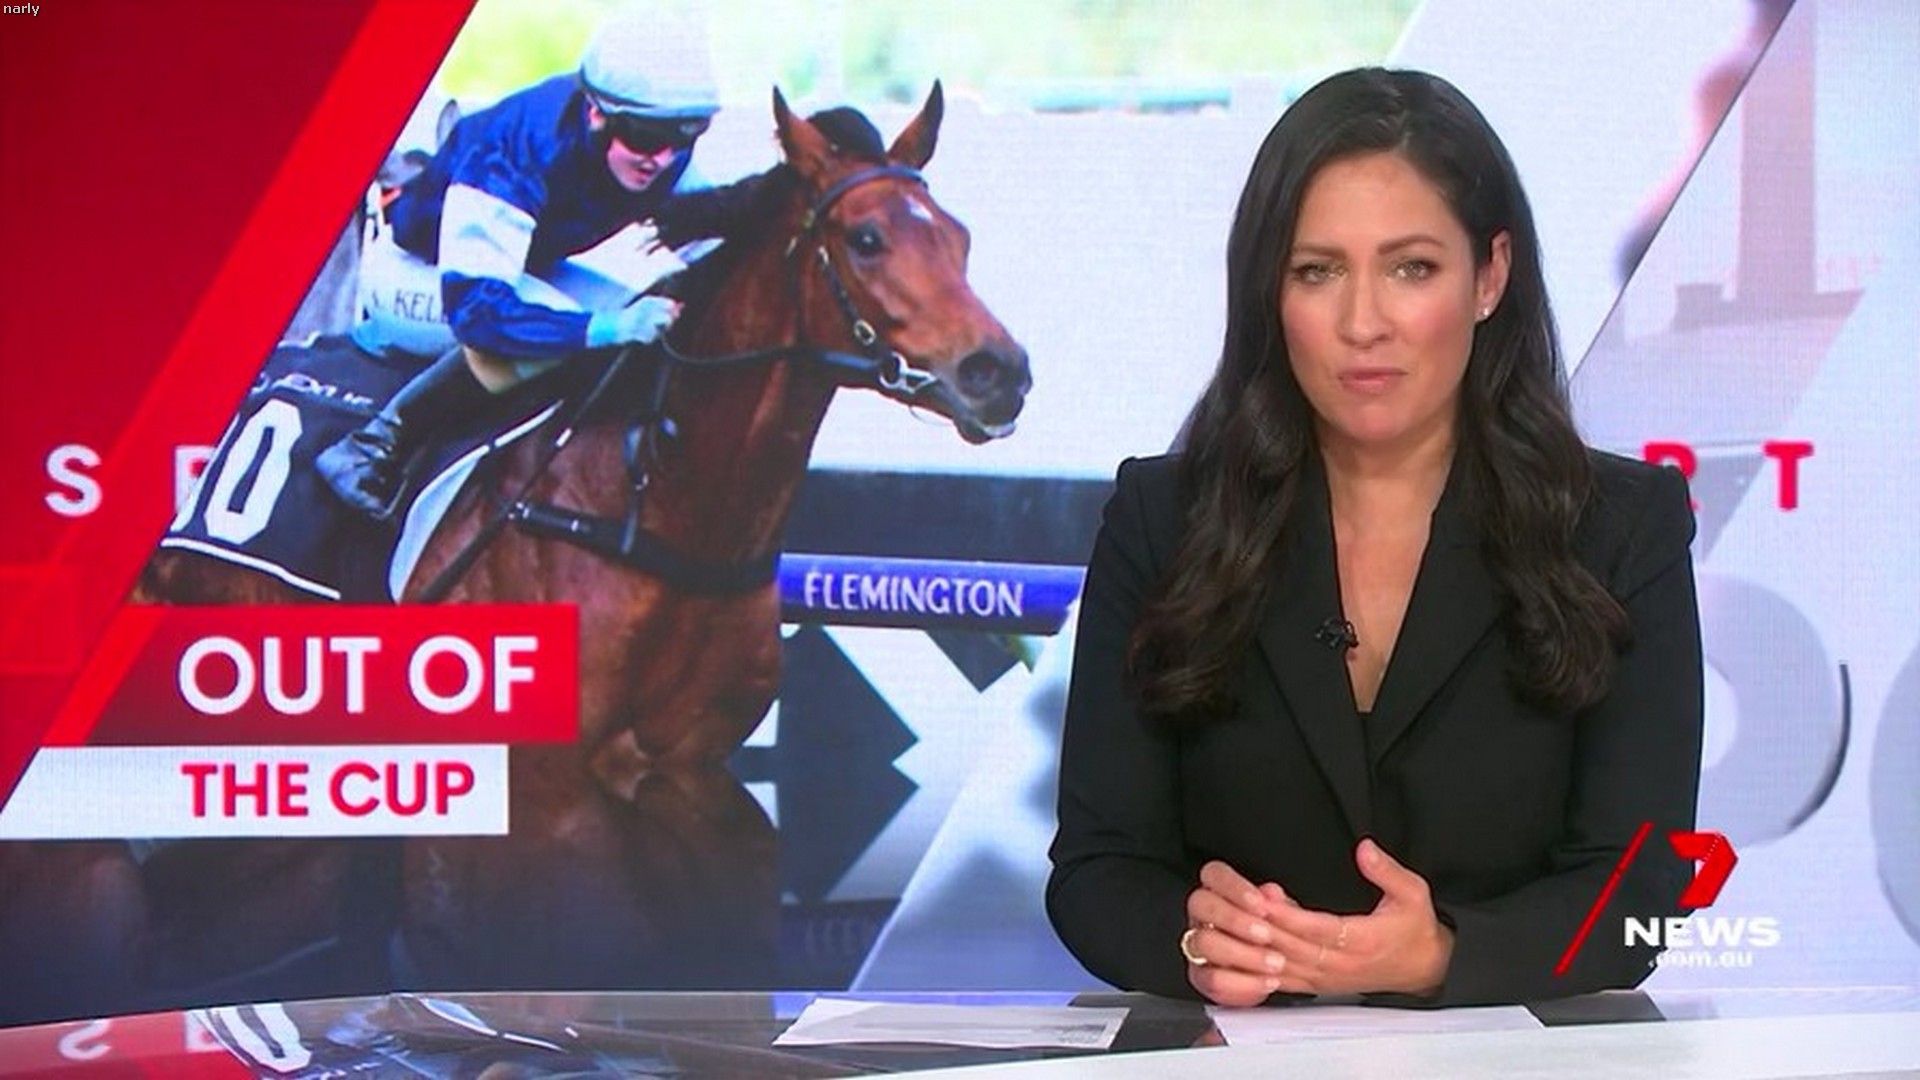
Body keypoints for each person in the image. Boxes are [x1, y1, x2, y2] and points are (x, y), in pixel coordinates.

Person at [1047, 68, 1703, 1008]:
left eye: (1411, 269)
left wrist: (1441, 955)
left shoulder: (1620, 529)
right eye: (1317, 272)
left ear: (1490, 276)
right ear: (1270, 291)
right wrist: (1193, 942)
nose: (1363, 324)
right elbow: (1097, 870)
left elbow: (1640, 890)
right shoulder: (1165, 520)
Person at [316, 12, 722, 518]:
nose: (661, 159)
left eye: (685, 136)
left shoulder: (661, 152)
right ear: (597, 115)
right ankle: (374, 444)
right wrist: (603, 328)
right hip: (418, 271)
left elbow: (716, 247)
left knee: (646, 312)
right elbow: (480, 316)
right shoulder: (516, 150)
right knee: (576, 333)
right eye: (644, 136)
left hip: (519, 263)